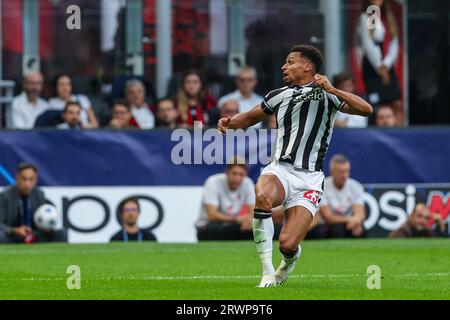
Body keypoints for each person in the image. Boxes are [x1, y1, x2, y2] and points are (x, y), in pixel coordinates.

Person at [217, 44, 372, 287]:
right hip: (280, 169)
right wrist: (230, 122)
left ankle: (289, 260)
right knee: (263, 195)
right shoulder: (279, 94)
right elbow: (249, 117)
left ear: (307, 66)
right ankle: (267, 272)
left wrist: (334, 89)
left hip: (310, 178)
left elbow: (366, 110)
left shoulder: (327, 95)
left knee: (288, 244)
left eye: (290, 62)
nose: (284, 66)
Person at [358, 0, 403, 126]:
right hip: (373, 65)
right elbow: (369, 45)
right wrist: (379, 67)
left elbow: (394, 44)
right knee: (374, 103)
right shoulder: (365, 17)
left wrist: (386, 65)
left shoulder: (388, 18)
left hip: (386, 63)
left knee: (396, 102)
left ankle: (400, 132)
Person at [0, 163, 67, 243]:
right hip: (13, 236)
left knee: (62, 234)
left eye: (31, 179)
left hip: (34, 236)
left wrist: (47, 228)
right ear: (17, 178)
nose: (27, 184)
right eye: (24, 179)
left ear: (36, 180)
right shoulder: (5, 196)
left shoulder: (39, 195)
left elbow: (45, 222)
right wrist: (15, 230)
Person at [195, 159, 255, 241]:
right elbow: (211, 215)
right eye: (234, 174)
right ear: (226, 173)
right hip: (207, 228)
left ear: (245, 175)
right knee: (215, 227)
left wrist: (249, 221)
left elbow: (252, 212)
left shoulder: (248, 183)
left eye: (241, 175)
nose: (237, 178)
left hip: (233, 227)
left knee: (255, 228)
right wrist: (237, 219)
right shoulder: (213, 182)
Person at [316, 154, 366, 239]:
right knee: (337, 229)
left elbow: (360, 214)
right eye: (341, 172)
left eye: (347, 171)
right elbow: (328, 217)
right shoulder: (322, 186)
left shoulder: (356, 186)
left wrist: (356, 221)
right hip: (329, 225)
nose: (345, 175)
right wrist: (349, 219)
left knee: (361, 230)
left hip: (350, 224)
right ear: (332, 172)